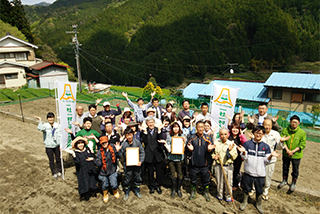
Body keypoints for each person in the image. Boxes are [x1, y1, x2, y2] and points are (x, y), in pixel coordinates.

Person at [238, 126, 281, 214]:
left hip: (260, 173)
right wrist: (244, 152)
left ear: (263, 134)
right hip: (248, 171)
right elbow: (244, 157)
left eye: (260, 133)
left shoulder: (266, 146)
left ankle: (258, 204)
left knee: (259, 189)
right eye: (257, 133)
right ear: (253, 133)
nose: (258, 135)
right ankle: (245, 201)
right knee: (246, 188)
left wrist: (271, 155)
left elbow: (266, 161)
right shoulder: (247, 144)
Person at [186, 121, 215, 201]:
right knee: (193, 180)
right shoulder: (191, 137)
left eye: (202, 127)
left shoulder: (208, 138)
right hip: (194, 164)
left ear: (204, 128)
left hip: (205, 164)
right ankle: (193, 191)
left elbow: (212, 150)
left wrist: (209, 150)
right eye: (199, 127)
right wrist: (190, 150)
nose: (201, 129)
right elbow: (186, 150)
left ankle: (206, 192)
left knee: (206, 180)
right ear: (196, 128)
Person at [260, 119, 289, 200]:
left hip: (271, 159)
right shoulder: (259, 132)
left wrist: (281, 142)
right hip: (260, 158)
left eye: (269, 125)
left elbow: (279, 147)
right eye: (265, 125)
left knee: (268, 176)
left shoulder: (275, 134)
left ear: (271, 126)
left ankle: (265, 191)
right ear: (263, 125)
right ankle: (254, 189)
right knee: (257, 175)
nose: (267, 127)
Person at [278, 115, 306, 192]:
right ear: (290, 122)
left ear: (299, 123)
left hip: (296, 155)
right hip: (286, 153)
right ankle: (284, 180)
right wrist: (287, 150)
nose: (294, 124)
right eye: (292, 122)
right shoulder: (285, 130)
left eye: (296, 122)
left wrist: (293, 151)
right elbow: (282, 140)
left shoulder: (302, 133)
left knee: (295, 169)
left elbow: (302, 144)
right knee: (285, 167)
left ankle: (293, 182)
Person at [140, 116, 166, 194]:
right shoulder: (144, 131)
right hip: (149, 155)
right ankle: (151, 186)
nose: (151, 124)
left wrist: (159, 131)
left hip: (158, 154)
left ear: (154, 123)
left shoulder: (157, 130)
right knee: (150, 172)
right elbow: (144, 142)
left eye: (152, 122)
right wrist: (144, 132)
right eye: (149, 122)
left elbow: (160, 139)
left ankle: (158, 186)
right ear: (147, 123)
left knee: (159, 172)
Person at [119, 128, 145, 201]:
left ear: (133, 135)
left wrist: (140, 161)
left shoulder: (137, 142)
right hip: (127, 165)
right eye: (127, 135)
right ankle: (127, 191)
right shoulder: (124, 144)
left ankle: (137, 191)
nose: (129, 137)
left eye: (130, 135)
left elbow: (142, 152)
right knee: (127, 178)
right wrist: (118, 151)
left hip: (137, 164)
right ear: (125, 136)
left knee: (138, 177)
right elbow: (120, 155)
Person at [94, 136, 122, 203]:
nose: (104, 144)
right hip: (103, 172)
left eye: (105, 142)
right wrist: (96, 161)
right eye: (102, 143)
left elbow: (119, 156)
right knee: (104, 184)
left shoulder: (112, 147)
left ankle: (115, 191)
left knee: (114, 184)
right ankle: (105, 194)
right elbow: (97, 163)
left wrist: (118, 151)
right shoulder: (99, 152)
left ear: (108, 142)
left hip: (112, 170)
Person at [212, 128, 238, 202]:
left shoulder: (231, 144)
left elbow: (235, 156)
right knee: (219, 181)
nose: (223, 136)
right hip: (218, 165)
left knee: (228, 182)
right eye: (222, 134)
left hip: (228, 166)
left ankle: (228, 196)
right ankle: (220, 195)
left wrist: (229, 151)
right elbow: (213, 153)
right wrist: (214, 157)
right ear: (219, 135)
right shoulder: (216, 143)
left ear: (228, 135)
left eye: (225, 134)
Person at [35, 112, 62, 179]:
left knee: (58, 159)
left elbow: (60, 135)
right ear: (47, 118)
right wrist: (40, 120)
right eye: (49, 117)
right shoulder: (45, 126)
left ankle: (59, 170)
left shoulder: (57, 125)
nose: (51, 119)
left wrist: (61, 144)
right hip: (49, 146)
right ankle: (53, 172)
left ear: (54, 118)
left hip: (56, 145)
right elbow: (40, 128)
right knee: (51, 160)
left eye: (52, 117)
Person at [70, 137, 97, 201]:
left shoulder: (87, 149)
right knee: (83, 182)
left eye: (81, 143)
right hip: (82, 170)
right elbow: (77, 162)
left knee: (92, 180)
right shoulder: (76, 153)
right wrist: (73, 155)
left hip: (90, 168)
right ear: (76, 145)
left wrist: (92, 152)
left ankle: (92, 191)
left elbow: (93, 157)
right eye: (78, 144)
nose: (80, 145)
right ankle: (84, 195)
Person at [164, 122, 186, 198]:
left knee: (180, 174)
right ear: (172, 128)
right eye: (174, 127)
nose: (175, 129)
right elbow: (168, 146)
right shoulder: (169, 136)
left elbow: (184, 146)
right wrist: (166, 146)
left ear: (179, 128)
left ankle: (178, 189)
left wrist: (184, 141)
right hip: (171, 158)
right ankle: (173, 189)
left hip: (179, 158)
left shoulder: (182, 136)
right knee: (172, 174)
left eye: (177, 127)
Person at [228, 124, 247, 190]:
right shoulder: (228, 135)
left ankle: (235, 184)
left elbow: (245, 143)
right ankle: (227, 183)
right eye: (233, 128)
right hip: (228, 156)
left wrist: (242, 134)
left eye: (237, 129)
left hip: (238, 157)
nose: (235, 130)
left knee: (236, 171)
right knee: (228, 170)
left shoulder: (240, 137)